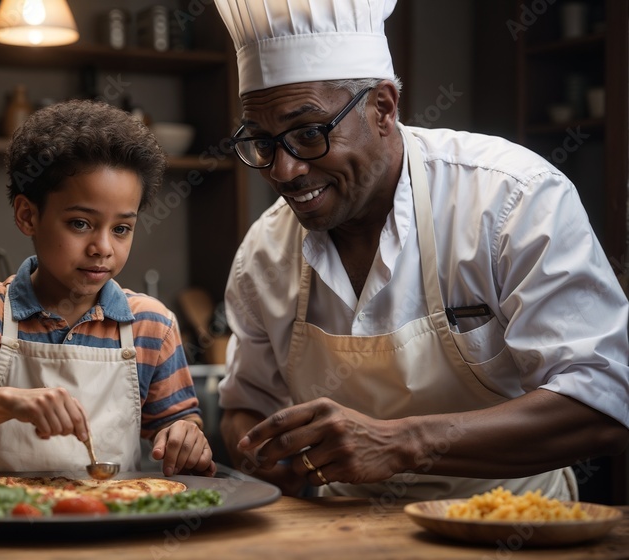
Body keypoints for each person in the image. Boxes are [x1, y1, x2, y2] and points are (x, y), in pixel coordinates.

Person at [212, 0, 629, 501]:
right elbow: (246, 407)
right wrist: (263, 453)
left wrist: (401, 444)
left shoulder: (511, 197)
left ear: (383, 108)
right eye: (261, 141)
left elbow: (603, 405)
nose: (283, 171)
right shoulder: (264, 252)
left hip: (510, 526)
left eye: (308, 133)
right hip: (342, 536)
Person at [0, 99, 216, 477]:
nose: (103, 247)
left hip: (110, 526)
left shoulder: (152, 325)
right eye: (81, 223)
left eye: (121, 229)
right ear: (27, 215)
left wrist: (186, 436)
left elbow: (180, 429)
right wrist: (13, 402)